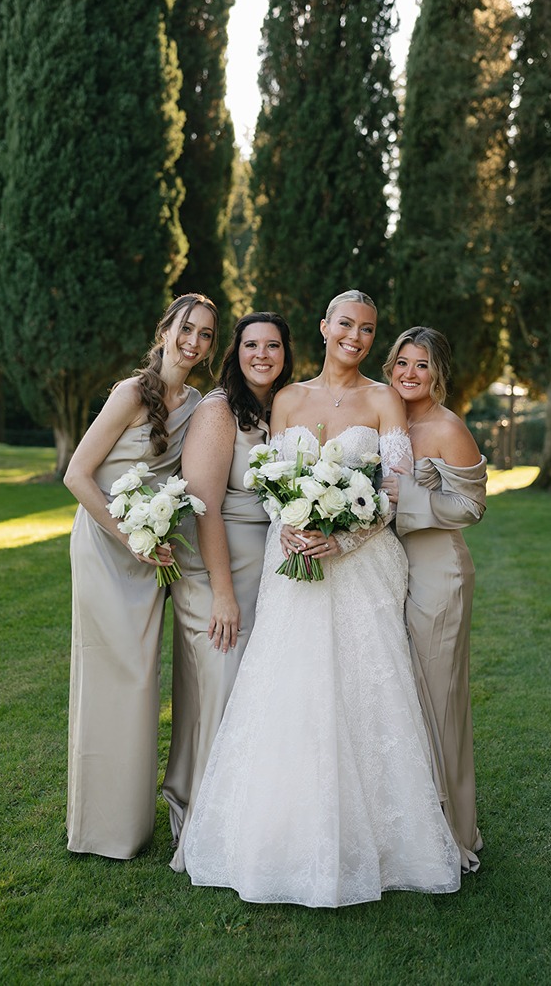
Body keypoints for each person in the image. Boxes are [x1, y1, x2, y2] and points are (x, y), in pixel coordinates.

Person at [183, 291, 461, 907]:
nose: (355, 337)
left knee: (367, 693)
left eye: (367, 330)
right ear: (324, 327)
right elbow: (274, 480)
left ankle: (387, 843)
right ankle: (281, 839)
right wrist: (290, 521)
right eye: (345, 325)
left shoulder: (384, 398)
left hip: (361, 565)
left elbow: (391, 493)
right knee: (293, 693)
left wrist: (345, 537)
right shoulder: (288, 398)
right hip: (294, 562)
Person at [64, 292, 218, 859]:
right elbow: (77, 476)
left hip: (152, 546)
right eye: (187, 328)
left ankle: (129, 823)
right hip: (109, 545)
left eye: (205, 335)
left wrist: (152, 535)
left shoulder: (197, 402)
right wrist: (128, 534)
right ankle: (102, 831)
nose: (194, 342)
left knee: (140, 682)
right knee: (112, 678)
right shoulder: (131, 393)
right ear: (166, 328)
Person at [163, 311, 294, 872]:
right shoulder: (218, 412)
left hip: (266, 569)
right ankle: (202, 821)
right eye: (249, 345)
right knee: (218, 688)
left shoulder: (283, 410)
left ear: (287, 352)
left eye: (272, 345)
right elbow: (204, 508)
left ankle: (251, 817)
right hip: (217, 572)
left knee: (254, 696)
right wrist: (222, 594)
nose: (261, 355)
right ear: (234, 353)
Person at [381, 325, 487, 873]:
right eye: (402, 362)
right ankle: (413, 821)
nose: (409, 374)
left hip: (438, 572)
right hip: (393, 572)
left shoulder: (448, 427)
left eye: (421, 365)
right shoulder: (389, 418)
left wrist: (411, 495)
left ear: (437, 373)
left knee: (440, 701)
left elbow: (471, 506)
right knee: (405, 699)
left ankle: (453, 830)